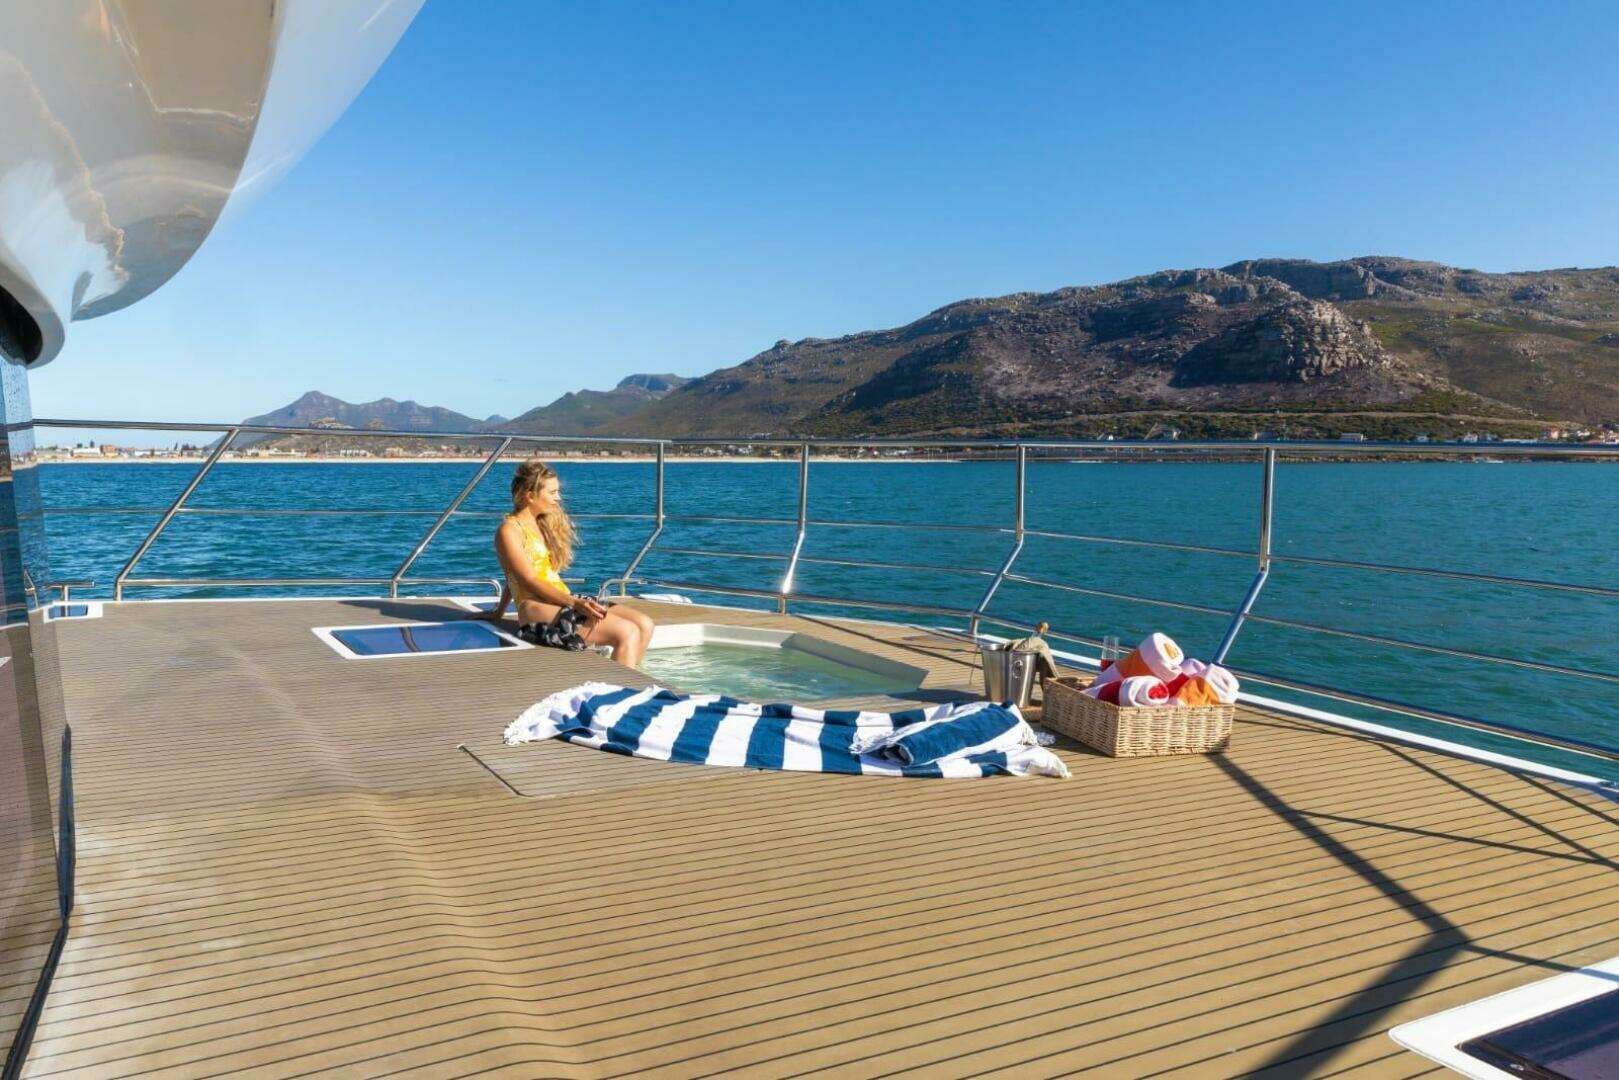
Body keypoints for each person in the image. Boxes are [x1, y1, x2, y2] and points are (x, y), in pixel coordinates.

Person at [476, 458, 654, 665]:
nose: (558, 498)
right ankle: (618, 684)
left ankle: (630, 679)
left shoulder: (539, 524)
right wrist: (575, 603)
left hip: (560, 599)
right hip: (535, 607)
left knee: (645, 624)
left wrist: (499, 611)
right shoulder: (509, 530)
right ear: (530, 496)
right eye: (552, 493)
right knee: (627, 632)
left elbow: (513, 573)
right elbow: (526, 578)